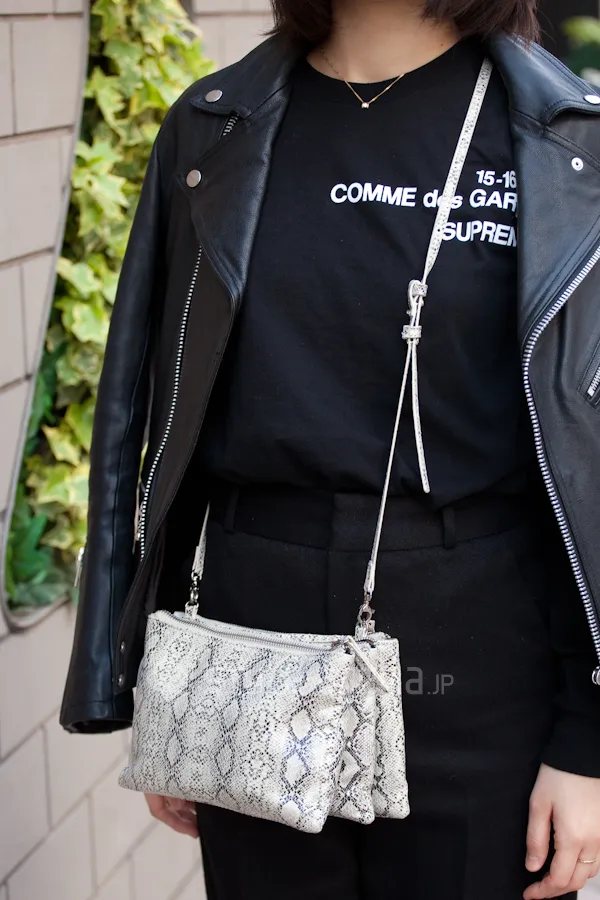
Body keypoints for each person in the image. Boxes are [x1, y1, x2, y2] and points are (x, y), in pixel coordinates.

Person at [60, 0, 600, 896]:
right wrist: (161, 679)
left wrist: (588, 741)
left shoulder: (567, 141)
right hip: (251, 625)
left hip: (482, 644)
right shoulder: (214, 126)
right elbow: (143, 405)